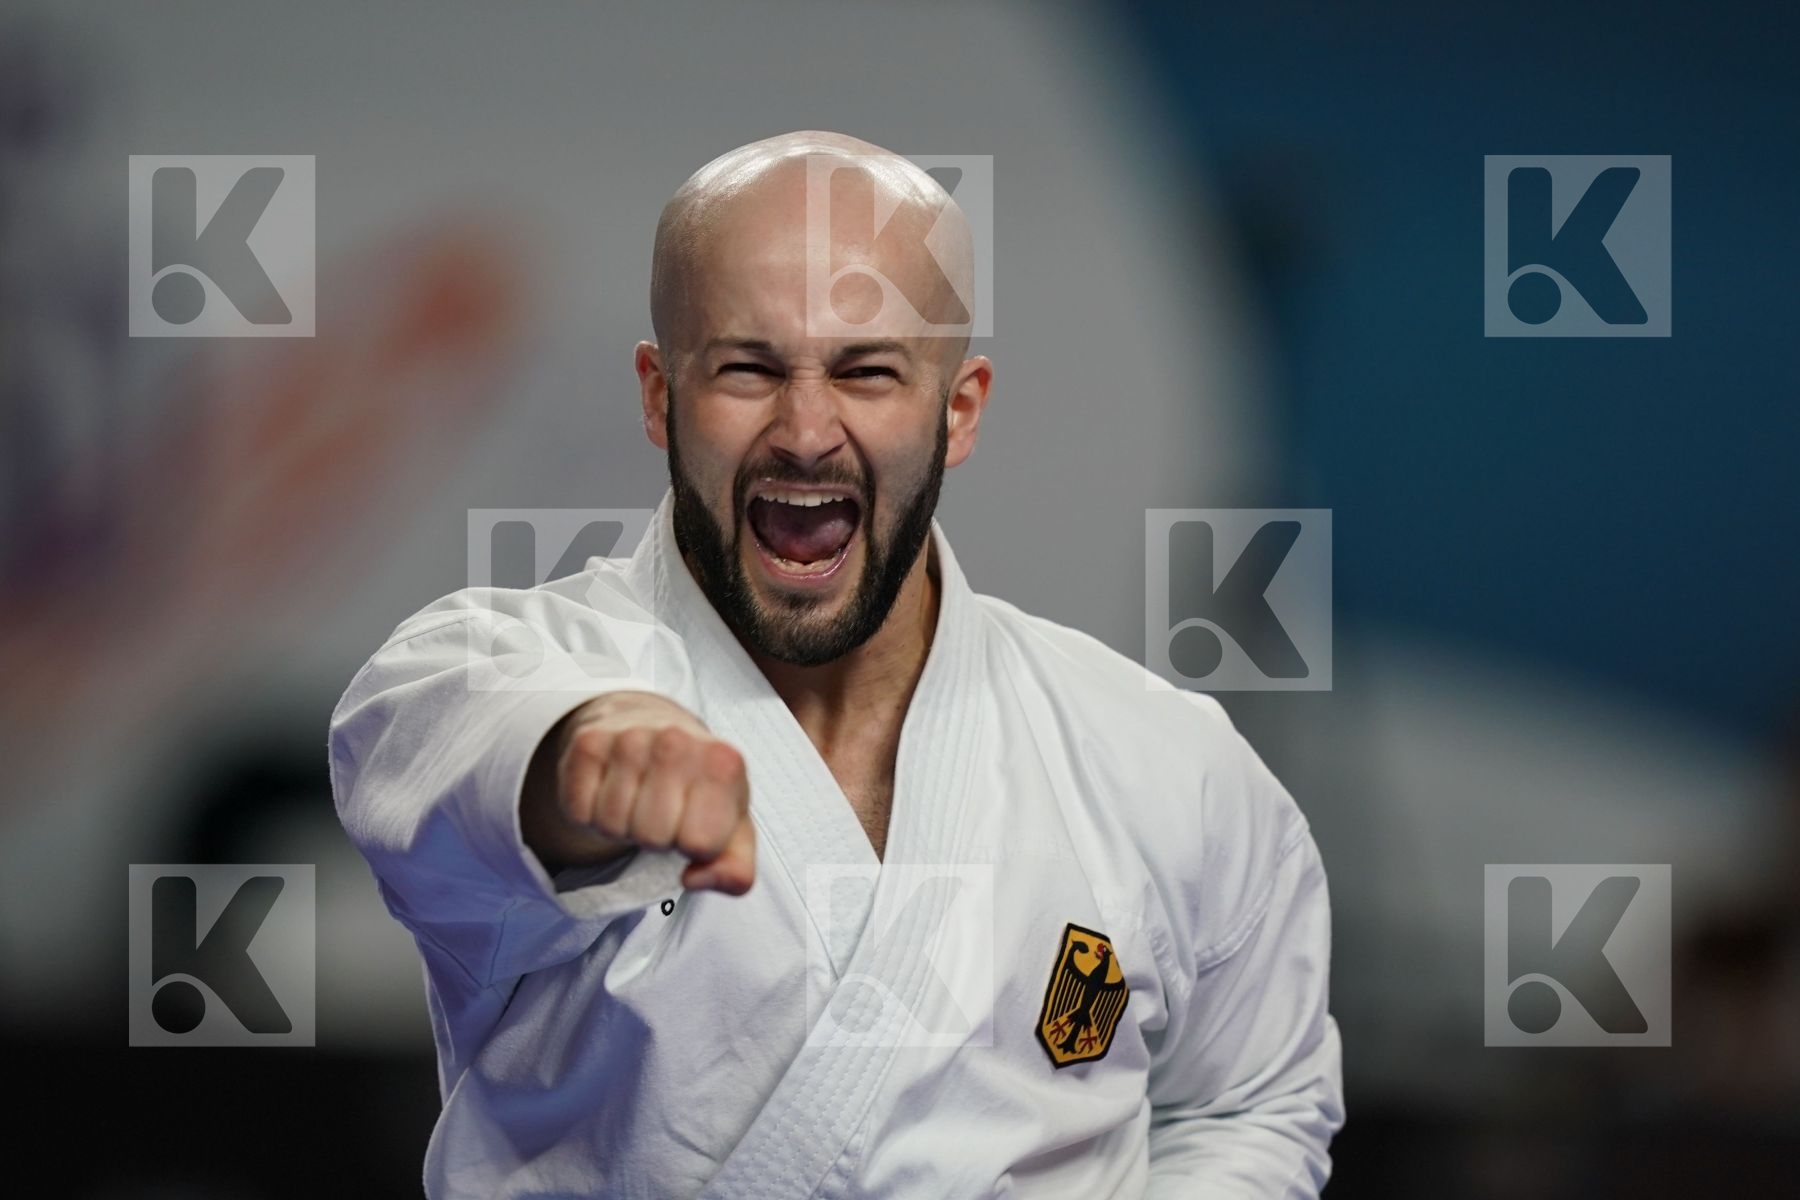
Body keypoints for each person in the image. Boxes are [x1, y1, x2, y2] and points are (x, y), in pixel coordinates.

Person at [329, 130, 1344, 1198]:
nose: (806, 431)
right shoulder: (487, 672)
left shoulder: (1164, 762)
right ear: (659, 396)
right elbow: (451, 752)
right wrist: (584, 761)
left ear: (958, 410)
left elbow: (1249, 1103)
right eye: (748, 368)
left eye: (866, 372)